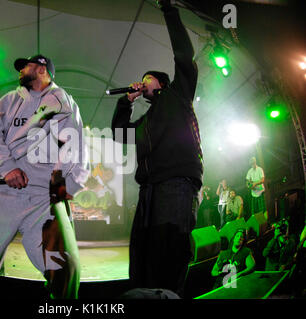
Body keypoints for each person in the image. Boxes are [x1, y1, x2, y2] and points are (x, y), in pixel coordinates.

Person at [0, 54, 89, 299]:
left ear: (42, 69)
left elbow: (76, 145)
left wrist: (67, 186)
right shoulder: (9, 100)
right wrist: (8, 168)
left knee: (65, 268)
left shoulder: (63, 102)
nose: (20, 71)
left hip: (41, 196)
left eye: (26, 66)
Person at [111, 0, 202, 296]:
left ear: (160, 82)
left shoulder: (178, 95)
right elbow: (119, 133)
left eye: (147, 78)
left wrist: (169, 11)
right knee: (143, 255)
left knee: (170, 250)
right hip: (148, 190)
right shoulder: (145, 121)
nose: (142, 81)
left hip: (176, 184)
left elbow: (184, 56)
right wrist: (126, 101)